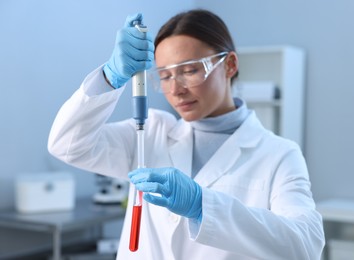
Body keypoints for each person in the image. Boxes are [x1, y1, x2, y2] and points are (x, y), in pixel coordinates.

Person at [48, 9, 325, 260]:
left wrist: (202, 205)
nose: (176, 89)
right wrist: (110, 77)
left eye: (190, 70)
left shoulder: (278, 154)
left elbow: (305, 246)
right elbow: (68, 145)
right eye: (165, 76)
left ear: (230, 65)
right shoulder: (150, 133)